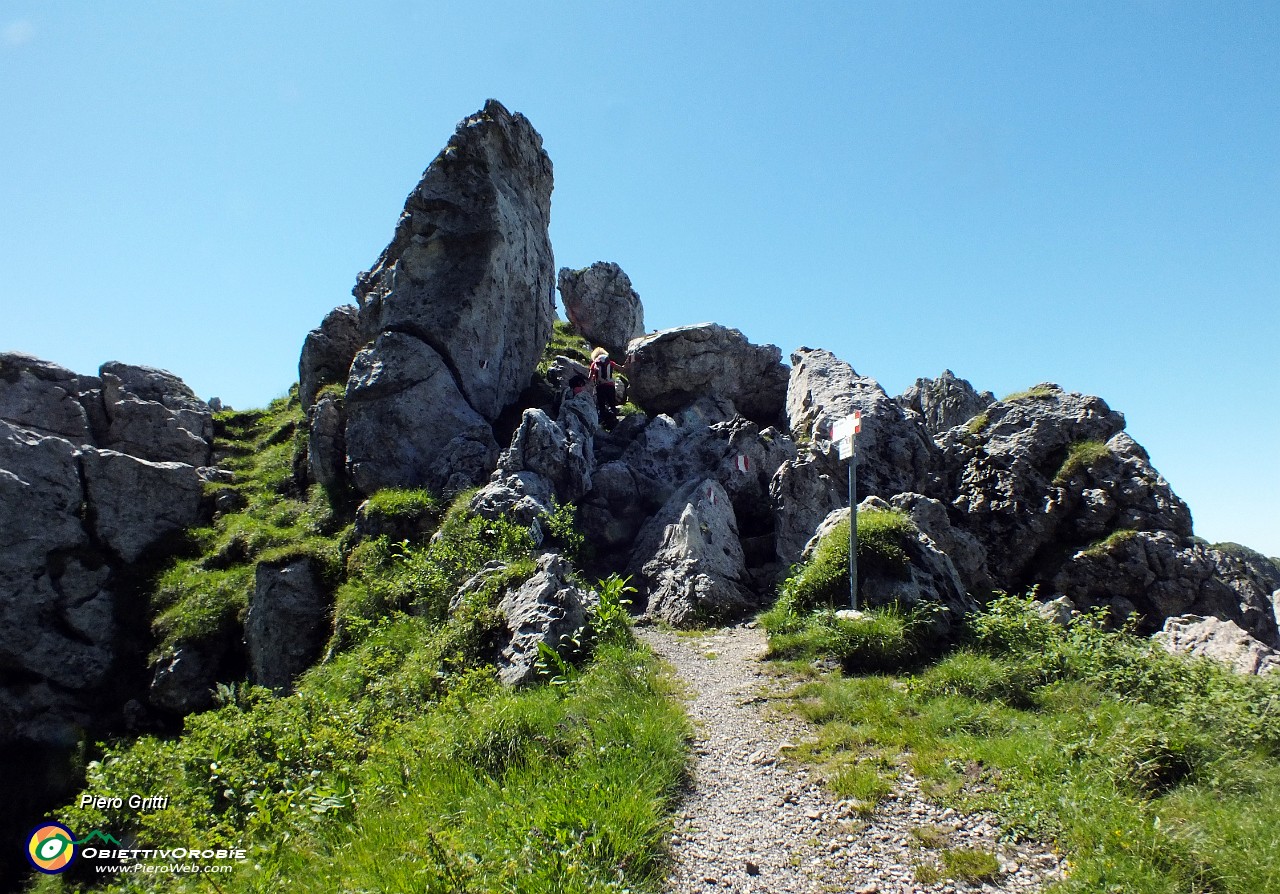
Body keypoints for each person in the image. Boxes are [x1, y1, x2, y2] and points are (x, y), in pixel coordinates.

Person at [588, 347, 625, 430]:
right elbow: (622, 369)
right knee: (612, 404)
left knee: (601, 405)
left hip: (600, 387)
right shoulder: (610, 362)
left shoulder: (594, 363)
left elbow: (589, 378)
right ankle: (614, 422)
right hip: (610, 386)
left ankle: (603, 423)